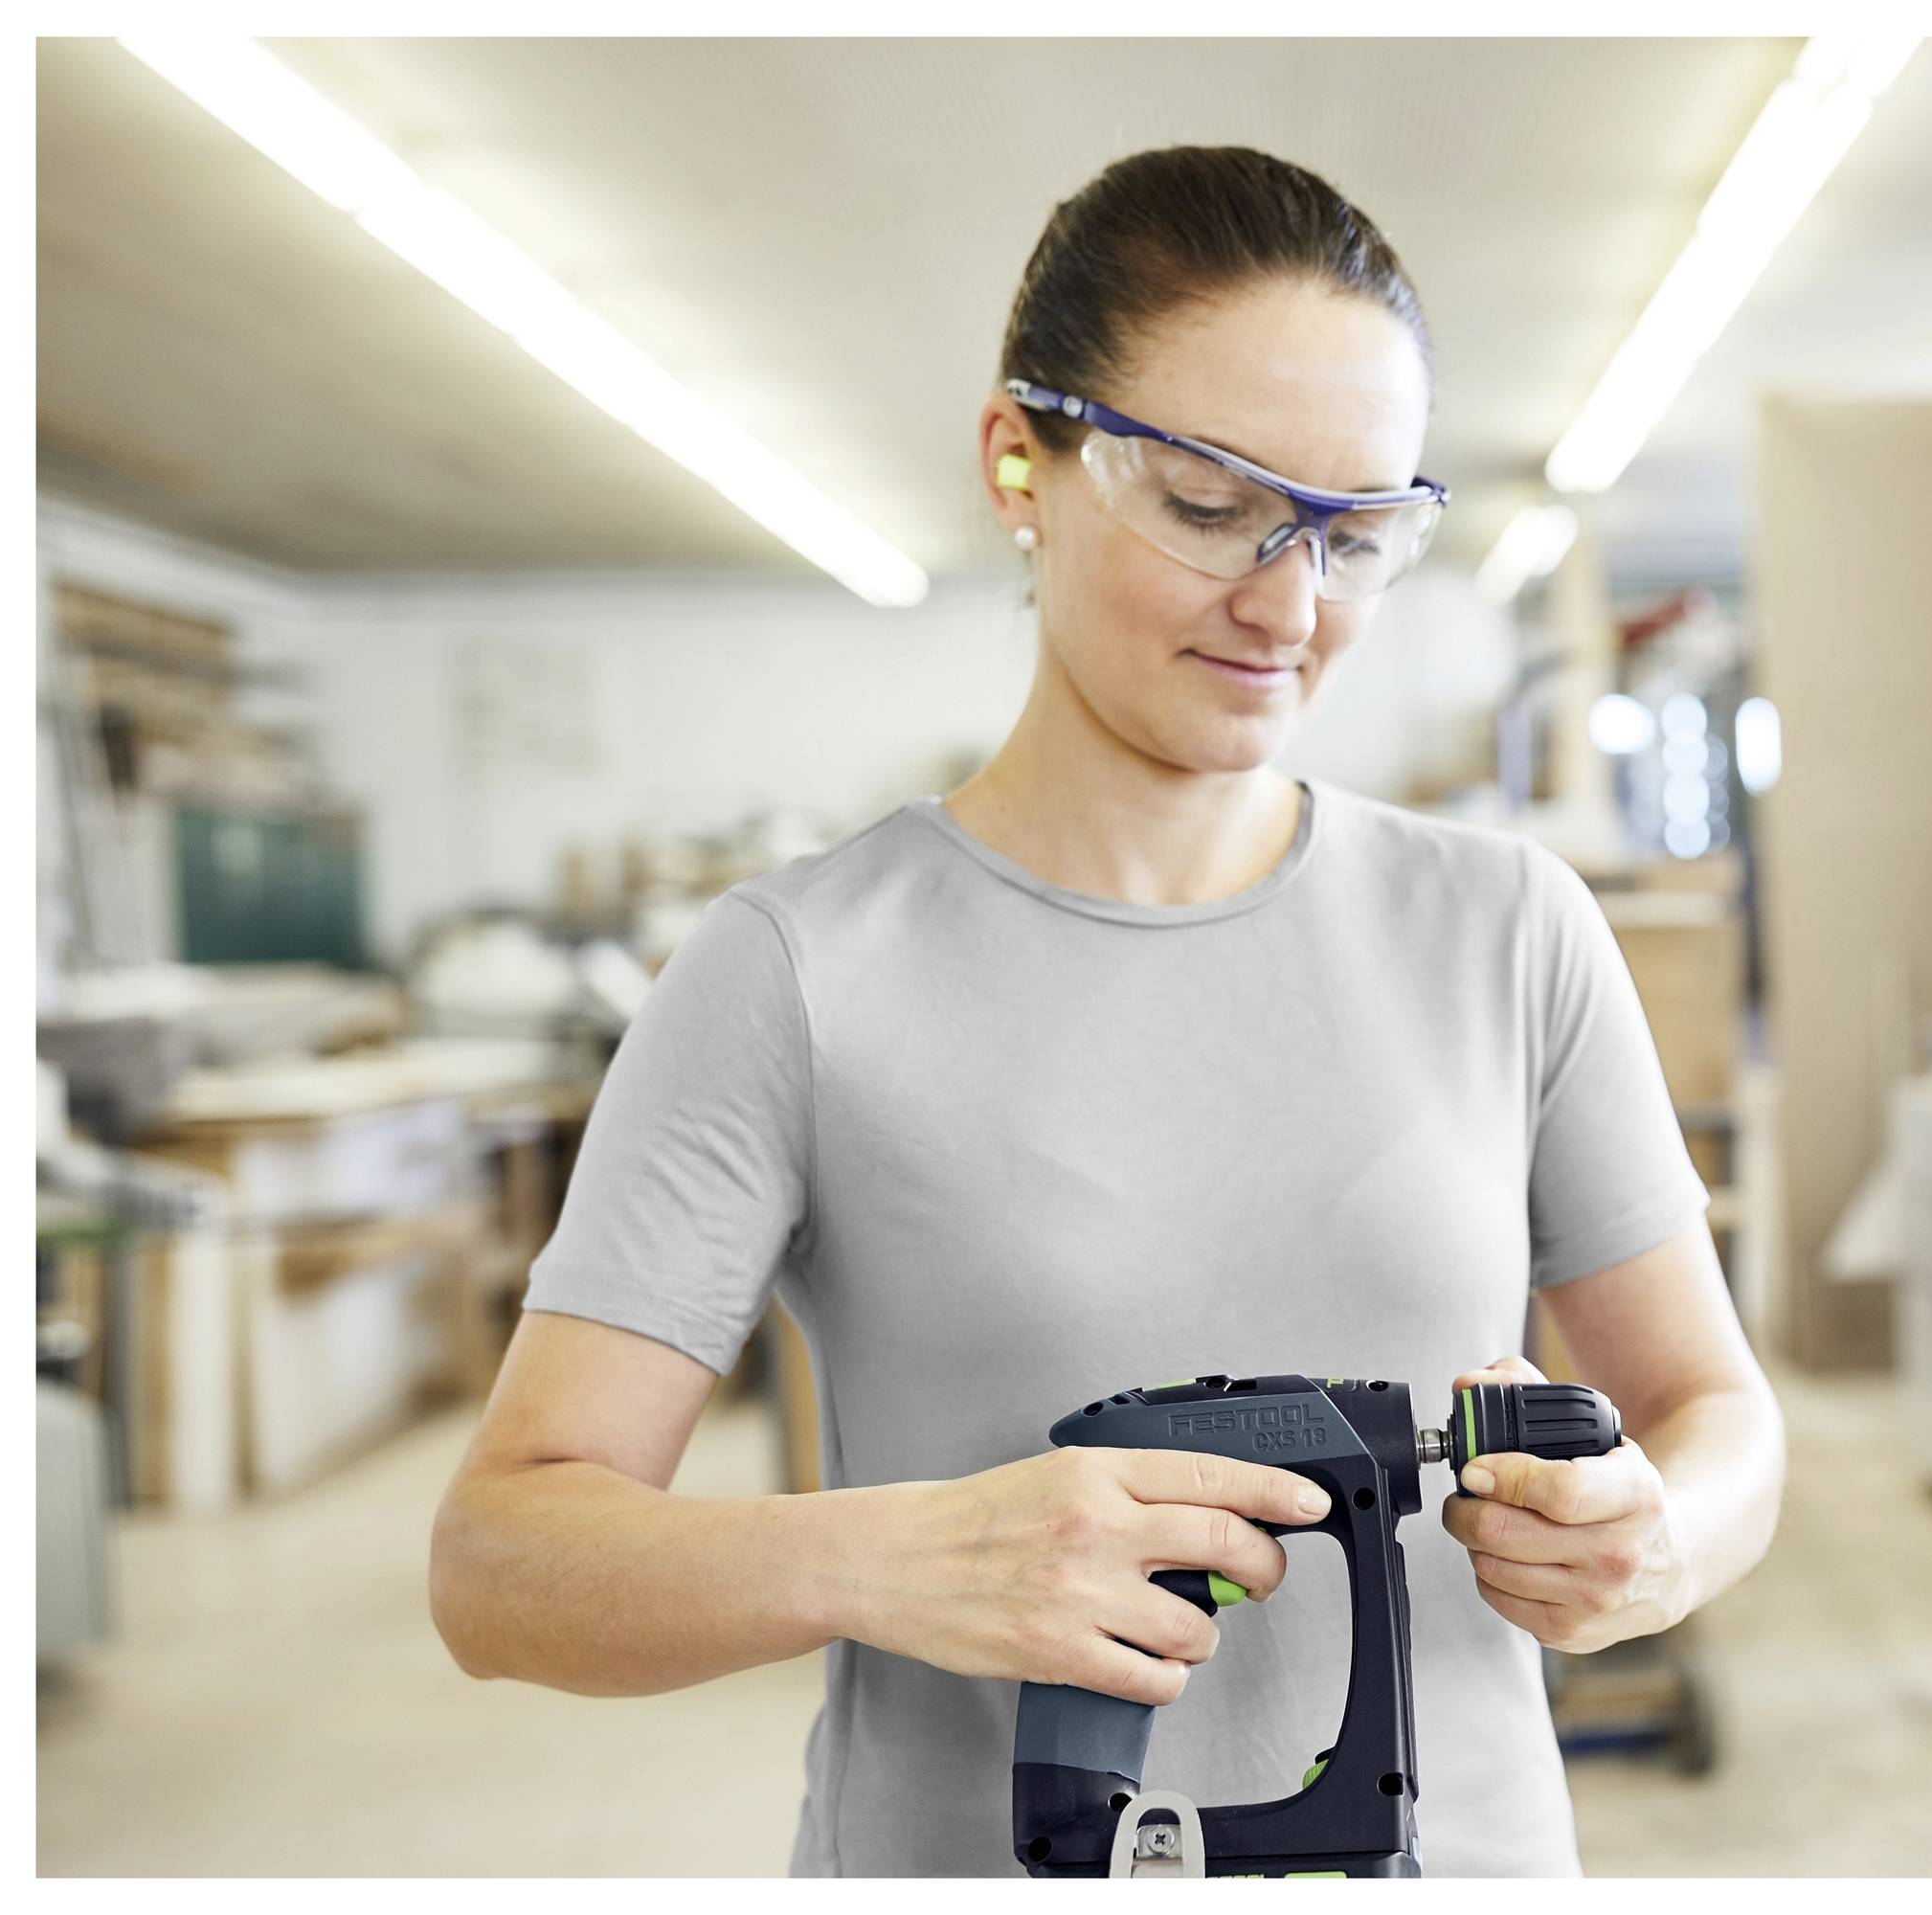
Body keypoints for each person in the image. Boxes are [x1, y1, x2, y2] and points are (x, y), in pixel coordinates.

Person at [428, 144, 1786, 1879]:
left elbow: (1719, 1419)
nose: (1290, 605)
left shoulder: (1509, 931)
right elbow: (501, 1566)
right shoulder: (797, 971)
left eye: (1357, 535)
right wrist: (897, 1559)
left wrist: (1659, 1543)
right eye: (1210, 507)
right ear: (1022, 459)